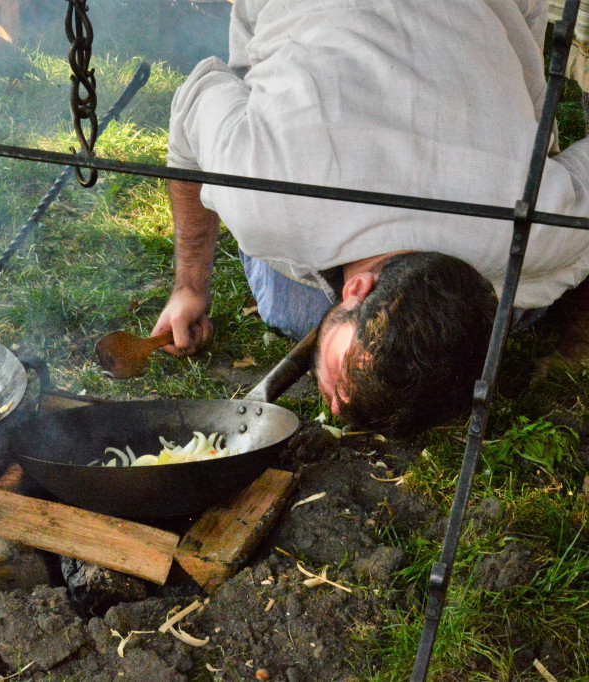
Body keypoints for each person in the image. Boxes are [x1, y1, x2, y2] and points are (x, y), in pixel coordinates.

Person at [151, 0, 589, 435]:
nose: (337, 408)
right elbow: (197, 93)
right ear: (358, 287)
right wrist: (189, 286)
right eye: (343, 378)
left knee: (516, 307)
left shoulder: (538, 233)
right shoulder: (264, 198)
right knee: (296, 308)